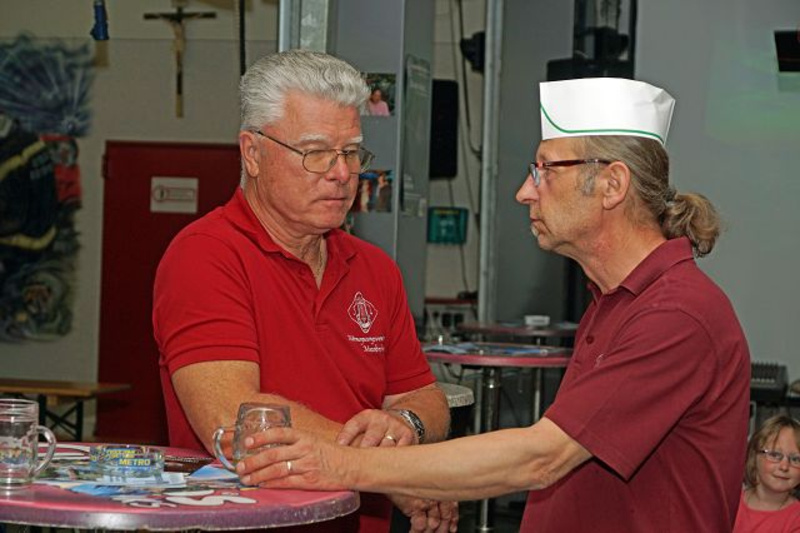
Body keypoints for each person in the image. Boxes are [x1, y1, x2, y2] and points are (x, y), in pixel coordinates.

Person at [234, 77, 752, 532]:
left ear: (612, 184)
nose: (525, 192)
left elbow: (541, 457)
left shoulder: (675, 314)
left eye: (546, 170)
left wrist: (339, 464)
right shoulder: (617, 302)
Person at [152, 49, 454, 533]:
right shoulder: (205, 256)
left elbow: (425, 399)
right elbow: (235, 418)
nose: (341, 173)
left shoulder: (375, 268)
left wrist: (406, 428)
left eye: (351, 152)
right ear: (252, 153)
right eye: (315, 153)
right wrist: (389, 470)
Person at [734, 415, 800, 532]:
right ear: (754, 457)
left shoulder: (796, 519)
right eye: (774, 455)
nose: (784, 467)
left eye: (796, 459)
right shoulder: (730, 502)